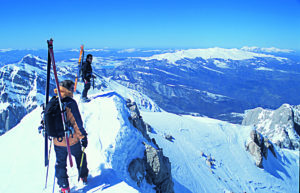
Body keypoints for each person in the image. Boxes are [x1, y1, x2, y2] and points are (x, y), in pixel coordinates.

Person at [53, 80, 89, 193]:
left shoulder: (53, 100)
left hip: (57, 140)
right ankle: (83, 176)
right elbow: (77, 123)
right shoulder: (70, 103)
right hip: (72, 139)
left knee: (60, 163)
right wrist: (83, 137)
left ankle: (64, 187)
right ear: (69, 89)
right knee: (79, 155)